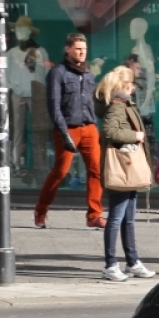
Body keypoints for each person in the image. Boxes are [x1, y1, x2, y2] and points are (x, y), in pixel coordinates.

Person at [35, 33, 104, 229]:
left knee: (95, 171)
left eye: (84, 49)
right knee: (60, 171)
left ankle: (94, 215)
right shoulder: (58, 73)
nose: (82, 53)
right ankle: (41, 210)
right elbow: (53, 105)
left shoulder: (89, 74)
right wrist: (63, 132)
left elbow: (90, 101)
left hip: (89, 127)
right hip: (68, 127)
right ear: (68, 49)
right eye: (78, 49)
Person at [95, 67, 156, 282]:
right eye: (132, 86)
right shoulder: (117, 105)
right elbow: (110, 131)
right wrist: (135, 135)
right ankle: (111, 264)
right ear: (127, 86)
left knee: (128, 219)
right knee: (117, 218)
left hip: (127, 167)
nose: (133, 90)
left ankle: (132, 261)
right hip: (122, 167)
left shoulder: (121, 103)